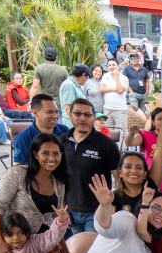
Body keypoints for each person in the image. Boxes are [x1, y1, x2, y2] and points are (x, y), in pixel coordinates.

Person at [62, 98, 121, 233]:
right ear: (70, 115)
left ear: (93, 118)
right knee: (74, 251)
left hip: (97, 210)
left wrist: (112, 204)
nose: (82, 118)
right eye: (77, 114)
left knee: (91, 251)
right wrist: (62, 206)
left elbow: (119, 178)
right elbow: (57, 178)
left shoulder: (107, 144)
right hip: (69, 210)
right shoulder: (61, 142)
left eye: (87, 115)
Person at [12, 94, 68, 165]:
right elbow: (19, 168)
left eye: (56, 112)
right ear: (35, 113)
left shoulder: (64, 130)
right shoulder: (23, 138)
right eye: (49, 112)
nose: (55, 116)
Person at [99, 59, 129, 137]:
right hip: (107, 109)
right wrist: (115, 88)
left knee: (120, 133)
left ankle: (119, 149)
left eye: (113, 65)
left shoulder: (124, 78)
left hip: (120, 110)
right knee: (107, 133)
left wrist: (116, 78)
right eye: (109, 65)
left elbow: (120, 91)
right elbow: (102, 89)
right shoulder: (105, 76)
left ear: (117, 66)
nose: (111, 67)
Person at [58, 64, 91, 129]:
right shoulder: (69, 85)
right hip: (71, 124)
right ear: (84, 75)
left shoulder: (75, 85)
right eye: (88, 77)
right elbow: (68, 108)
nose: (87, 80)